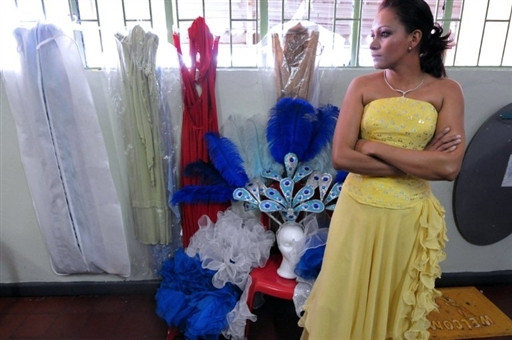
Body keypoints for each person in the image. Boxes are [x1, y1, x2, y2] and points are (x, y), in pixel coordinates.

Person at [298, 0, 465, 339]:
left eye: (384, 34)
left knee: (394, 304)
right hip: (358, 213)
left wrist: (373, 146)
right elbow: (342, 157)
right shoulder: (361, 86)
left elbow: (448, 166)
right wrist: (420, 162)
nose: (372, 43)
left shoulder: (447, 91)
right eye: (372, 34)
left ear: (414, 38)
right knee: (344, 298)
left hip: (409, 219)